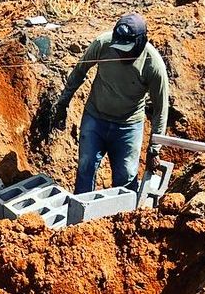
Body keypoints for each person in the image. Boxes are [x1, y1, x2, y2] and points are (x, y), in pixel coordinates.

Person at [39, 13, 170, 194]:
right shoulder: (103, 44)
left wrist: (155, 149)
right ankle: (81, 215)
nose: (121, 53)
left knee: (126, 179)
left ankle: (121, 217)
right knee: (85, 169)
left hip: (128, 127)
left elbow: (161, 110)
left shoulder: (153, 65)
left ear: (140, 42)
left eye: (127, 49)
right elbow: (79, 72)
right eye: (119, 48)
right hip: (95, 119)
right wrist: (62, 104)